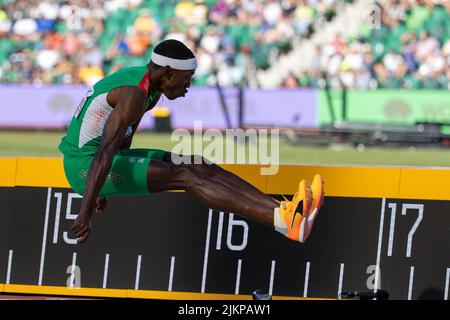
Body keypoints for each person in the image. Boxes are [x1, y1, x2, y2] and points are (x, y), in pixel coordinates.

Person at [58, 39, 325, 244]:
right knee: (185, 175)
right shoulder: (134, 96)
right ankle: (282, 222)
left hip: (99, 162)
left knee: (198, 163)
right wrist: (86, 210)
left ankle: (285, 212)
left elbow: (122, 139)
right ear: (167, 74)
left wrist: (106, 189)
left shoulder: (146, 86)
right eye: (186, 80)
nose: (187, 87)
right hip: (84, 166)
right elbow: (105, 151)